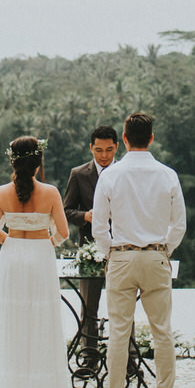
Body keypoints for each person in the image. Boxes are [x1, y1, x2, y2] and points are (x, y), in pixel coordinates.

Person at [91, 112, 186, 388]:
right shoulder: (168, 174)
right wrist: (163, 250)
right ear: (152, 138)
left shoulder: (111, 175)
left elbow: (99, 229)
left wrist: (112, 254)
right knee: (162, 332)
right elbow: (179, 225)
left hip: (121, 256)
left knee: (118, 333)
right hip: (157, 256)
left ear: (125, 138)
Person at [0, 135, 74, 388]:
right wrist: (44, 242)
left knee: (15, 322)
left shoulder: (1, 192)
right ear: (38, 162)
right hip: (40, 258)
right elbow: (63, 232)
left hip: (12, 258)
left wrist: (11, 241)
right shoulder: (50, 193)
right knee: (41, 322)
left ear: (12, 161)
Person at [62, 125, 118, 348]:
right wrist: (86, 216)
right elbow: (66, 211)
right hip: (89, 250)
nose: (104, 156)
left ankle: (128, 356)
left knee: (123, 306)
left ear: (116, 147)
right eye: (98, 150)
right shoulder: (78, 174)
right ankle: (88, 354)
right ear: (90, 148)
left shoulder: (125, 172)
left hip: (121, 249)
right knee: (88, 306)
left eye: (109, 150)